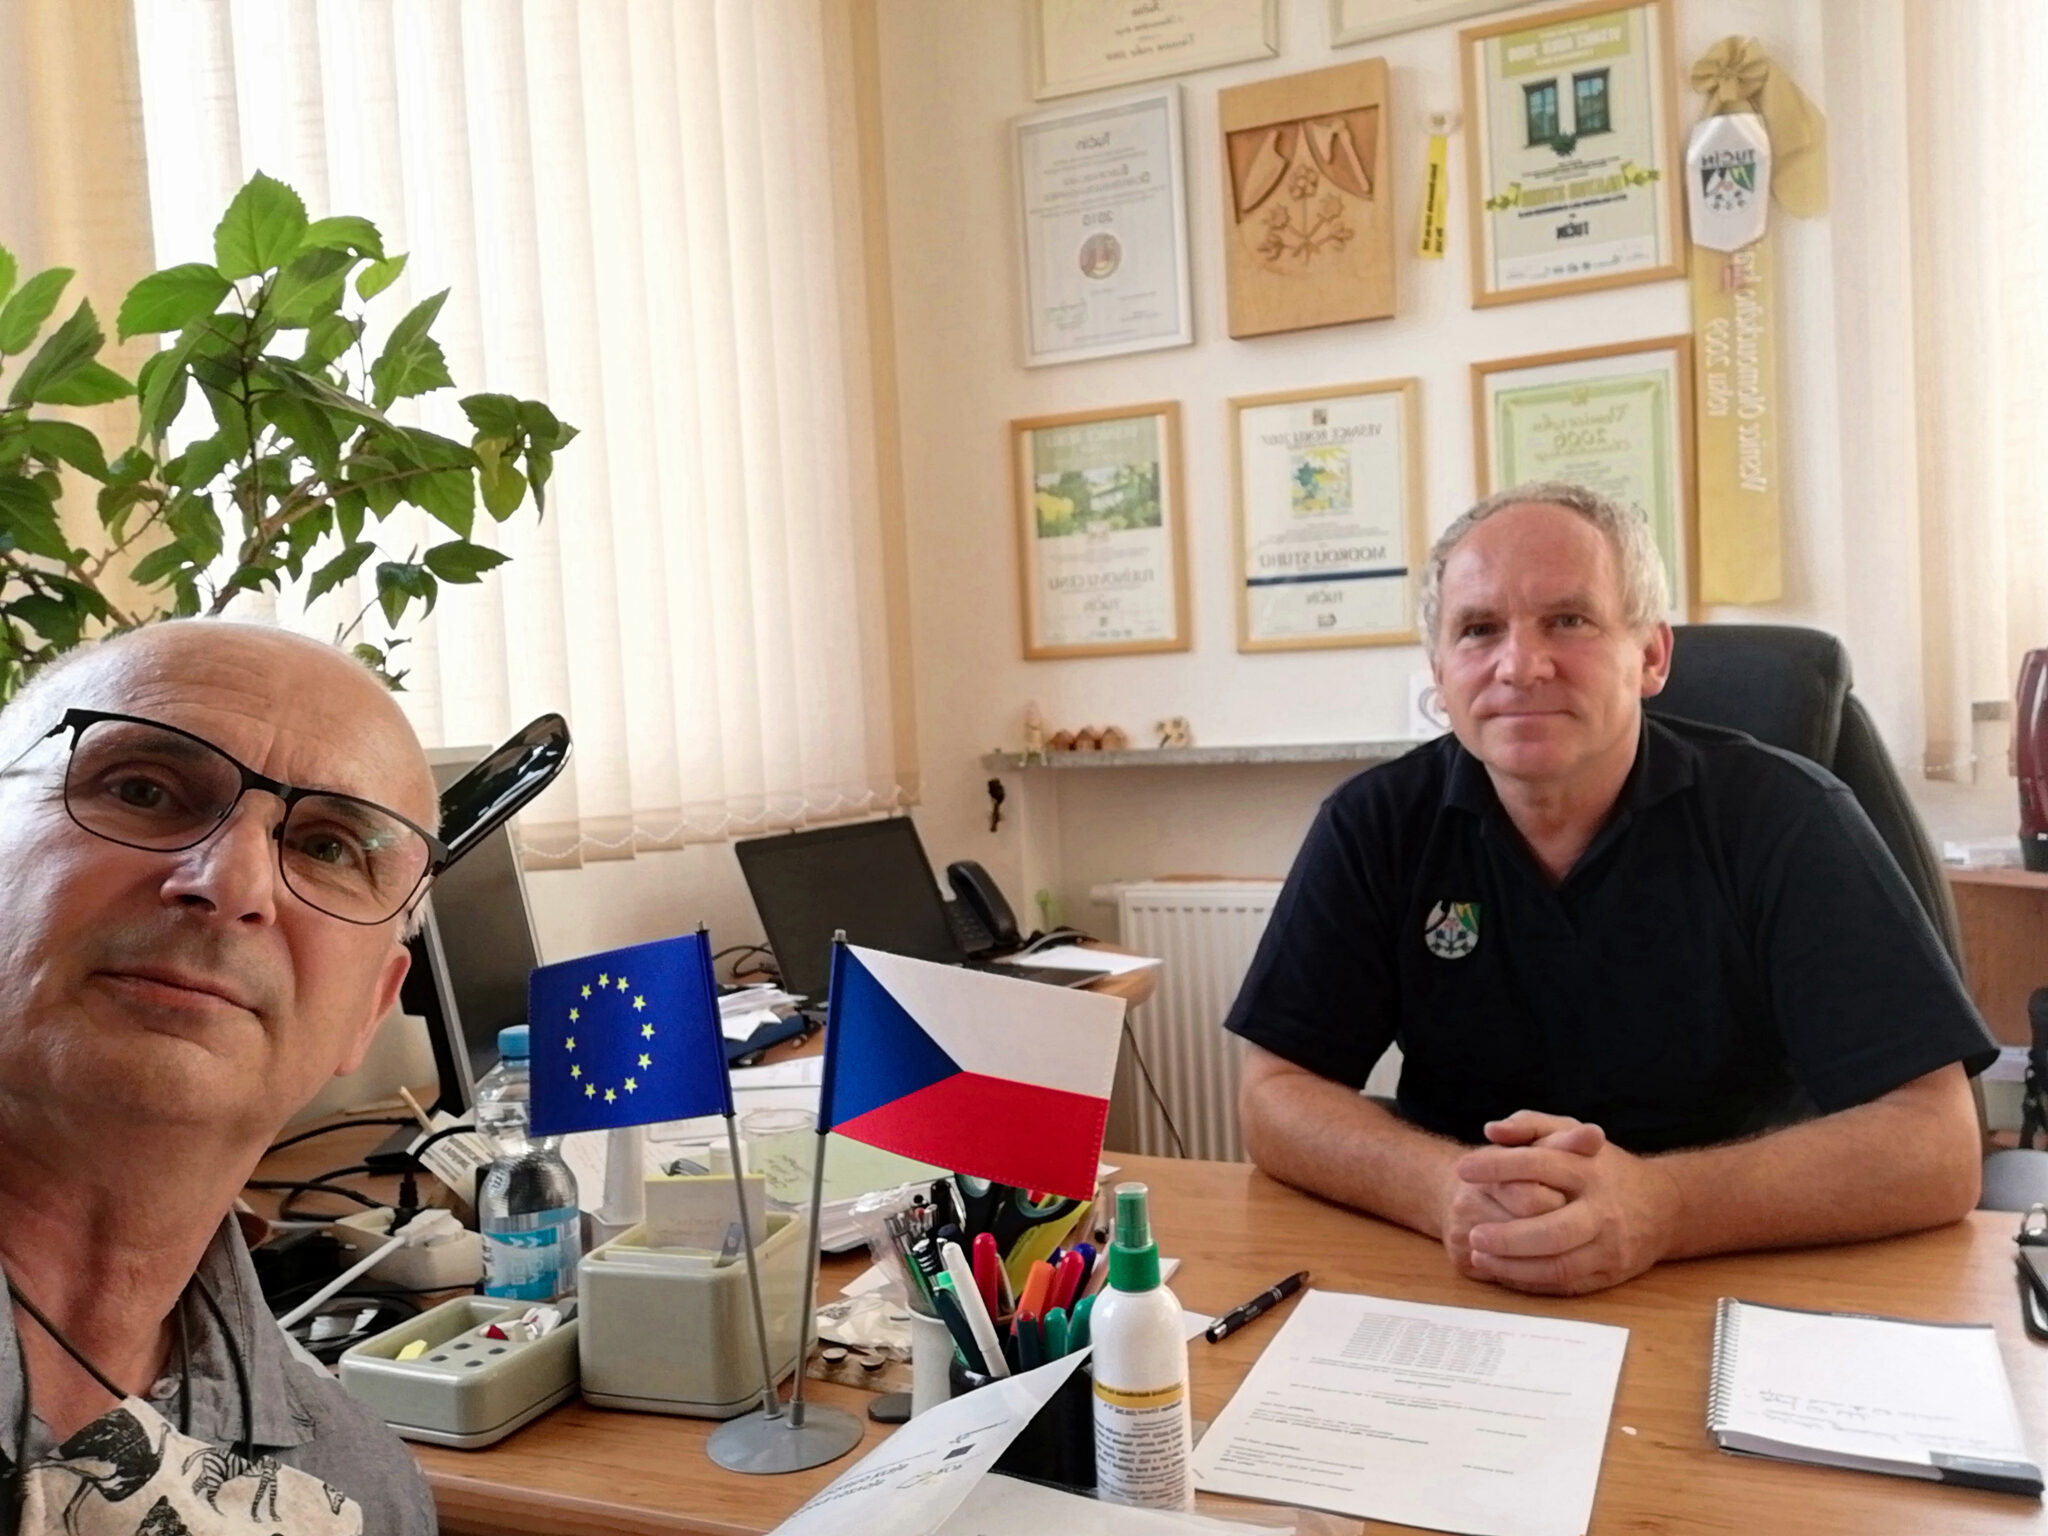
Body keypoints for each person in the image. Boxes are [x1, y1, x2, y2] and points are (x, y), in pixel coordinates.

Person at [1227, 483, 1996, 1298]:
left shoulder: (1786, 817)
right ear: (1441, 672)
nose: (1520, 666)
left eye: (1568, 620)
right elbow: (1277, 1093)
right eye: (1479, 629)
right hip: (1472, 1273)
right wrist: (1442, 1188)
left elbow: (1936, 1144)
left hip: (1741, 1267)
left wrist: (1664, 1205)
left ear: (1652, 656)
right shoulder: (1375, 822)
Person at [0, 620, 441, 1532]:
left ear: (371, 1007)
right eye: (142, 789)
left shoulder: (360, 1498)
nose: (234, 883)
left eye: (328, 848)